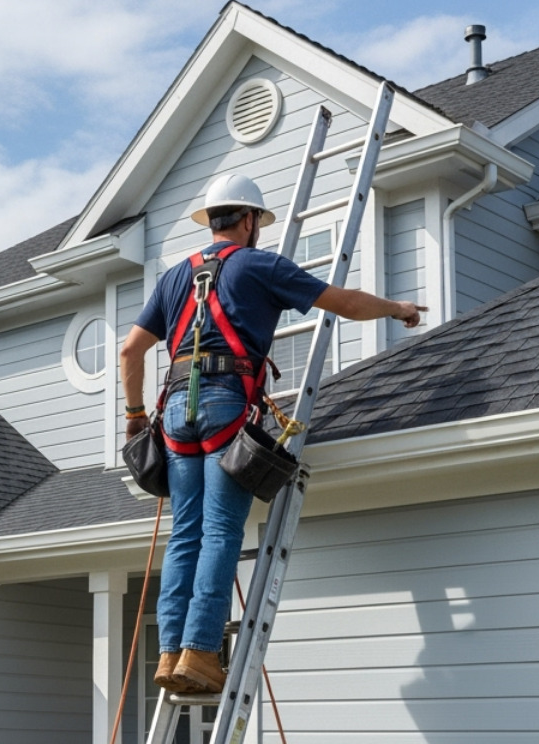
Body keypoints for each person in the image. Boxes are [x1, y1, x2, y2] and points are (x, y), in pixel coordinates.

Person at [120, 173, 424, 694]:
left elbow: (130, 352)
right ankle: (199, 652)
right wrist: (399, 309)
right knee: (219, 532)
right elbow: (344, 303)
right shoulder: (259, 265)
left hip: (173, 415)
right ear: (248, 219)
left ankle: (170, 654)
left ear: (213, 220)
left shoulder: (173, 278)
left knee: (185, 534)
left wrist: (134, 418)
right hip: (225, 402)